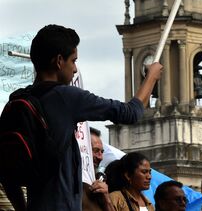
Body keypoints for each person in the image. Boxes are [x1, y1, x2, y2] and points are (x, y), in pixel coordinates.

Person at [2, 24, 162, 211]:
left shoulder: (16, 101)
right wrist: (151, 77)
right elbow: (130, 113)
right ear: (59, 61)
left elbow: (5, 171)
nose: (75, 69)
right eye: (73, 61)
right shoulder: (66, 96)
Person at [82, 127, 114, 211]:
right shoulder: (66, 181)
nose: (101, 157)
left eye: (102, 152)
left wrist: (106, 198)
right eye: (95, 150)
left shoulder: (98, 182)